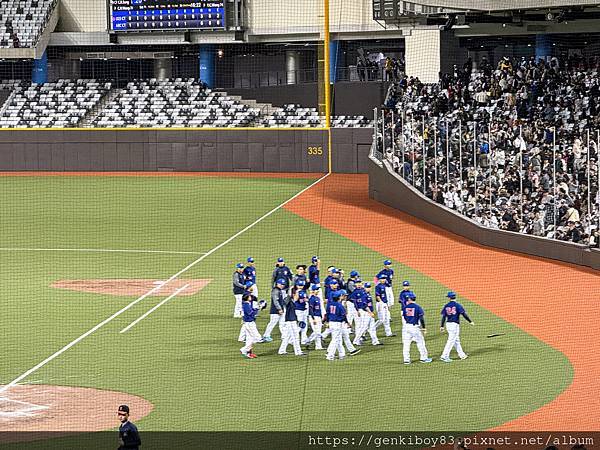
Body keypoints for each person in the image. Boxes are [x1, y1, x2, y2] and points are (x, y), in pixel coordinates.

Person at [440, 291, 474, 362]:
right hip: (454, 325)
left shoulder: (446, 306)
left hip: (448, 324)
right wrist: (470, 321)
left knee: (456, 340)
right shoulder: (458, 305)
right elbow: (464, 314)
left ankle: (462, 355)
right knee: (451, 340)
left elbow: (443, 317)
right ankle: (444, 356)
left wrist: (442, 326)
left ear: (449, 298)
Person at [402, 293, 432, 364]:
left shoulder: (405, 307)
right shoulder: (418, 307)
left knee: (406, 344)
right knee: (420, 342)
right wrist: (424, 328)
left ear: (409, 299)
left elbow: (405, 317)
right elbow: (421, 319)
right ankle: (423, 358)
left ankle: (406, 360)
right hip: (414, 327)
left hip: (406, 327)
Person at [278, 285, 306, 356]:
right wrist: (290, 291)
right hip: (290, 321)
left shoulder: (293, 302)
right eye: (297, 294)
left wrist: (297, 321)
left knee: (287, 337)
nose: (298, 296)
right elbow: (285, 301)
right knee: (295, 336)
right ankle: (298, 352)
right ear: (293, 295)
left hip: (292, 320)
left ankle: (281, 350)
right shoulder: (289, 301)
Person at [352, 281, 381, 346]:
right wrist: (370, 312)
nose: (369, 288)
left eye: (369, 287)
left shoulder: (368, 294)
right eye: (367, 287)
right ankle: (356, 340)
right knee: (364, 327)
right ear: (364, 288)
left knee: (372, 328)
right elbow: (365, 305)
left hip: (369, 313)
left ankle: (375, 341)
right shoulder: (364, 295)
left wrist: (372, 311)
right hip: (366, 313)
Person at [324, 290, 349, 361]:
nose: (343, 297)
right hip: (337, 324)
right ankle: (330, 355)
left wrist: (327, 322)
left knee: (337, 339)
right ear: (339, 297)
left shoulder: (330, 304)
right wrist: (347, 322)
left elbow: (327, 314)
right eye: (342, 296)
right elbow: (344, 315)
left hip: (331, 323)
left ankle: (342, 354)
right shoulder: (339, 305)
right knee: (335, 340)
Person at [240, 294, 263, 359]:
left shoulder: (247, 304)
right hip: (249, 323)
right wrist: (258, 308)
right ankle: (244, 349)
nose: (251, 297)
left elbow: (252, 311)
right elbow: (251, 313)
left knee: (249, 339)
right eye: (249, 296)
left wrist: (257, 308)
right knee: (256, 338)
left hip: (249, 323)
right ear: (247, 298)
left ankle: (248, 353)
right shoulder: (246, 305)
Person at [306, 284, 324, 350]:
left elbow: (319, 309)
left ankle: (318, 346)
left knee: (318, 331)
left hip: (318, 316)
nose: (318, 291)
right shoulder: (311, 299)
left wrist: (322, 317)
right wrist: (313, 319)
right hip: (313, 317)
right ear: (313, 291)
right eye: (317, 289)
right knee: (317, 332)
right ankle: (308, 341)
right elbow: (310, 309)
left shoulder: (318, 298)